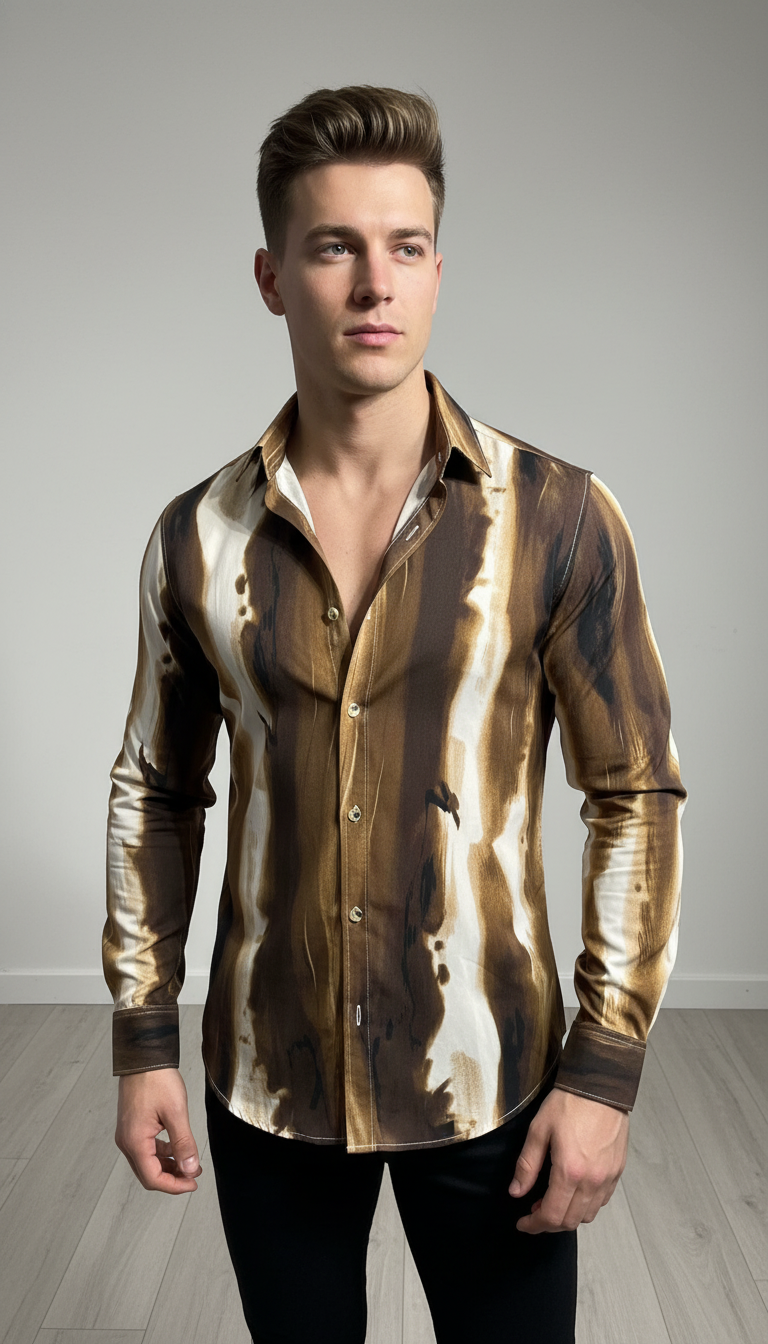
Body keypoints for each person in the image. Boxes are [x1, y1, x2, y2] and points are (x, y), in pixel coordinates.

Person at [102, 85, 687, 1344]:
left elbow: (635, 792)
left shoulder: (559, 520)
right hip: (269, 1083)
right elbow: (156, 790)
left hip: (494, 1084)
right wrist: (143, 1040)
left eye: (405, 246)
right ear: (272, 279)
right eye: (335, 247)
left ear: (437, 269)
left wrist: (604, 1070)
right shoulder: (196, 540)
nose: (375, 283)